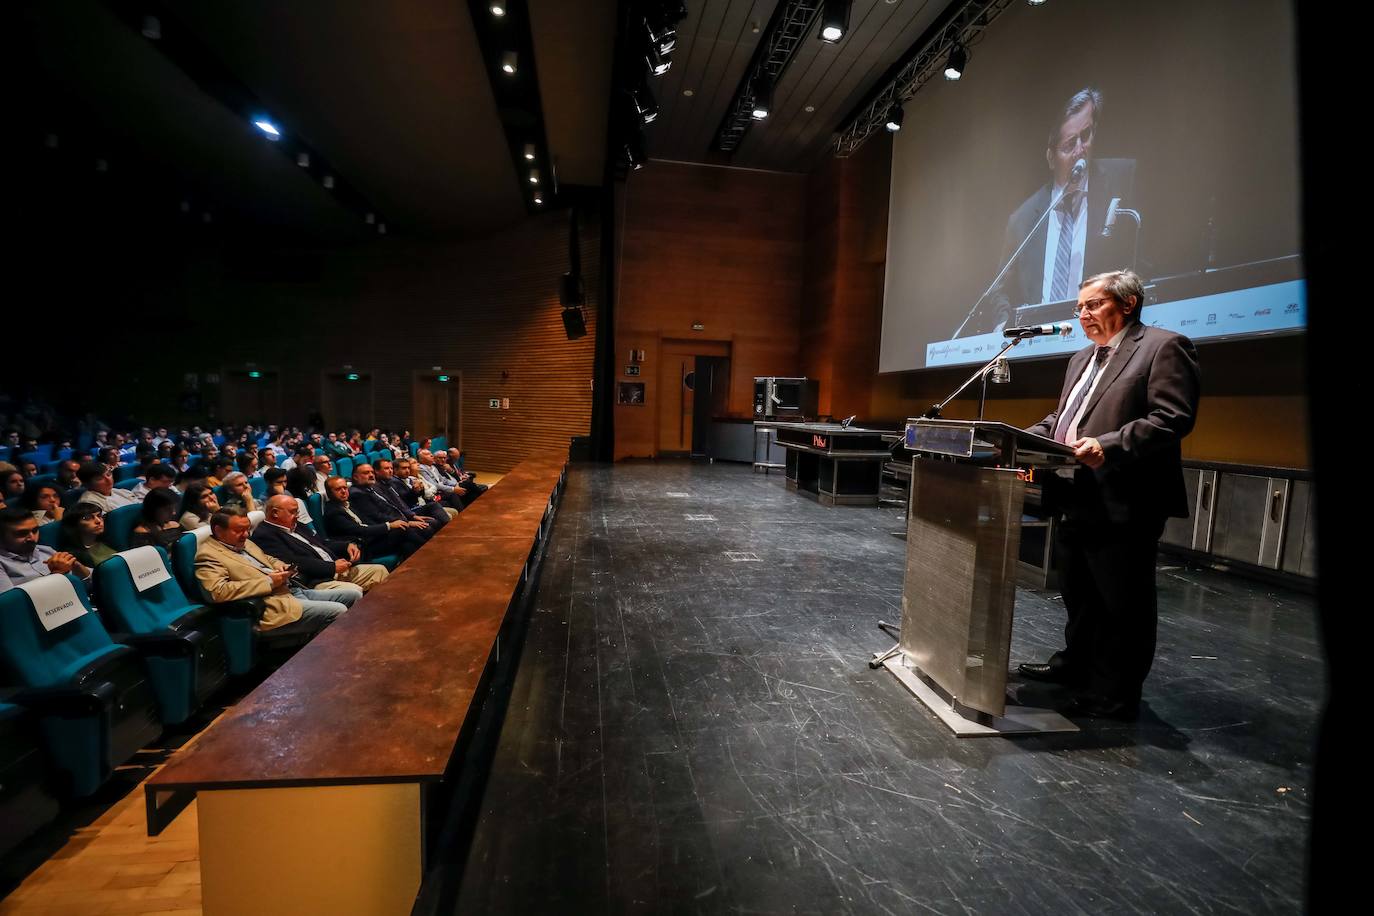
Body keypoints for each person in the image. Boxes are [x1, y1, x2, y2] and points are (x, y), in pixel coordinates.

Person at [1016, 269, 1200, 720]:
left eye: (1093, 304)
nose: (1083, 314)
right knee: (1079, 592)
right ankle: (1074, 666)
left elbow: (1172, 417)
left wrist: (1110, 444)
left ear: (1128, 303)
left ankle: (1114, 693)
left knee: (1121, 602)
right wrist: (1020, 438)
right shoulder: (1082, 358)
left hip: (1126, 498)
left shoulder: (1163, 346)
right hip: (1075, 493)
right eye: (1079, 307)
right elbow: (1064, 419)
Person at [969, 88, 1137, 337]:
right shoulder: (1023, 219)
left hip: (1104, 335)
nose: (1081, 149)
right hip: (1043, 341)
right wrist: (1003, 323)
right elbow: (998, 288)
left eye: (1086, 135)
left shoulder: (1123, 179)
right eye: (1070, 144)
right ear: (1051, 158)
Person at [195, 507, 354, 633]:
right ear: (218, 530)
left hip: (292, 590)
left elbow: (266, 558)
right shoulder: (208, 555)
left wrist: (280, 565)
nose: (245, 535)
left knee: (353, 595)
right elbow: (217, 591)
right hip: (271, 606)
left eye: (247, 529)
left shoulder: (243, 541)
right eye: (238, 530)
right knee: (337, 611)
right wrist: (269, 582)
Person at [251, 495, 388, 592]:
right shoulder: (264, 535)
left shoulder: (296, 524)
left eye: (297, 511)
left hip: (336, 570)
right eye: (293, 512)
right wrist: (331, 567)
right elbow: (294, 562)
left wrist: (347, 545)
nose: (297, 515)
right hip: (317, 580)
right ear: (275, 513)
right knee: (354, 590)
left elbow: (322, 544)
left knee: (379, 570)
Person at [322, 476, 424, 560]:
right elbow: (359, 530)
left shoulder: (349, 504)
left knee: (407, 545)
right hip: (363, 547)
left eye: (345, 488)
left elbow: (368, 521)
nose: (343, 491)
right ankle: (428, 552)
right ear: (329, 493)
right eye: (338, 489)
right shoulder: (333, 512)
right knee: (403, 530)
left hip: (371, 539)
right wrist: (389, 526)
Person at [0, 507, 91, 589]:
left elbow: (96, 581)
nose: (32, 537)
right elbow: (12, 604)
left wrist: (79, 567)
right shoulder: (3, 563)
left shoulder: (45, 551)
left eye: (35, 530)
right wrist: (57, 574)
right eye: (22, 533)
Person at [59, 503, 117, 569]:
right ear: (74, 524)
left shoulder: (110, 539)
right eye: (87, 518)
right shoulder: (72, 555)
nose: (98, 521)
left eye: (99, 515)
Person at [75, 461, 141, 512]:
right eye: (100, 479)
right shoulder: (89, 503)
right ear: (87, 484)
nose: (108, 480)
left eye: (108, 474)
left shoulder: (122, 491)